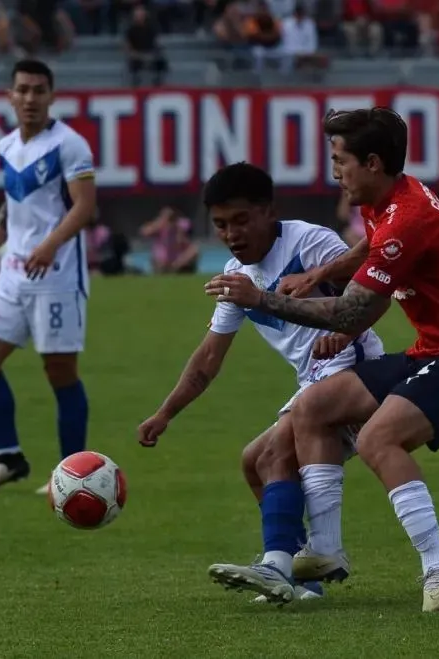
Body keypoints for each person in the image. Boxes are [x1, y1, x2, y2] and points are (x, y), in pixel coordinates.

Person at [204, 107, 439, 612]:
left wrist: (261, 299)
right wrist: (324, 267)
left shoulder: (407, 218)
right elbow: (371, 243)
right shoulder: (388, 198)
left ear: (371, 161)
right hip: (432, 350)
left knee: (376, 439)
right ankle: (323, 549)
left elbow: (348, 312)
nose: (334, 171)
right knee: (313, 407)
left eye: (339, 160)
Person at [138, 163, 384, 603]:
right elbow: (208, 358)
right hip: (314, 379)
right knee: (254, 462)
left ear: (268, 211)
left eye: (241, 221)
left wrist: (343, 334)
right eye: (220, 225)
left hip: (353, 369)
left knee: (273, 453)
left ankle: (277, 566)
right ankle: (300, 579)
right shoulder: (239, 276)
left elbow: (369, 295)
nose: (231, 233)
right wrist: (165, 412)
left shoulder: (310, 242)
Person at [0, 59, 97, 495]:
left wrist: (50, 244)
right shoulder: (6, 145)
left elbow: (84, 207)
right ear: (10, 95)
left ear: (51, 96)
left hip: (57, 276)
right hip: (12, 273)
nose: (30, 98)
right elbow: (13, 205)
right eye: (22, 90)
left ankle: (71, 472)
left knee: (59, 372)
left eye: (39, 90)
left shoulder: (70, 145)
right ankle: (8, 457)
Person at [139, 207, 200, 274]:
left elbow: (187, 244)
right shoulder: (159, 229)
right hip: (162, 261)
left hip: (177, 261)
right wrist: (159, 223)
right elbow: (144, 232)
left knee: (193, 250)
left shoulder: (180, 228)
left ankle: (176, 267)